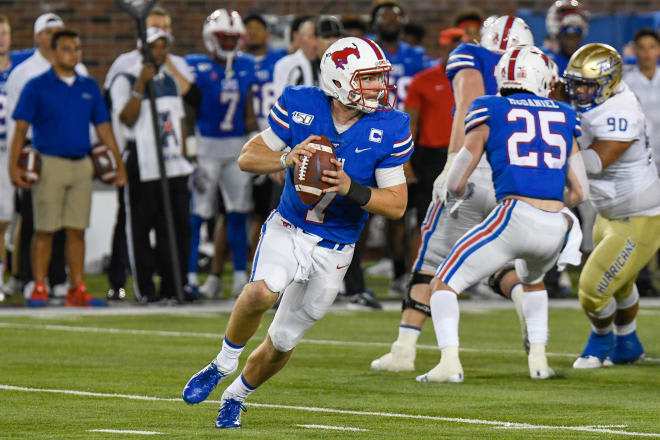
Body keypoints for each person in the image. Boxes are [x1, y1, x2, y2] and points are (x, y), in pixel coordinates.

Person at [181, 36, 412, 429]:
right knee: (260, 292)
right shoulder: (302, 104)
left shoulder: (389, 126)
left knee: (283, 341)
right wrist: (287, 158)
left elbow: (396, 204)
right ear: (339, 81)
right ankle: (222, 362)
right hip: (290, 226)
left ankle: (236, 396)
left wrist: (349, 189)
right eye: (369, 79)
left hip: (337, 246)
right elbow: (247, 157)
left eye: (379, 78)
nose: (379, 87)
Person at [371, 16, 537, 373]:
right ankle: (522, 295)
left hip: (475, 167)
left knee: (430, 263)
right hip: (518, 177)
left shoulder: (472, 56)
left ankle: (404, 349)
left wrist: (451, 165)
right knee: (491, 256)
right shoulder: (538, 66)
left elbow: (468, 107)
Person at [418, 45, 587, 383]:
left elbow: (456, 180)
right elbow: (580, 191)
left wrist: (461, 193)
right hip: (556, 225)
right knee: (533, 281)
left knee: (443, 283)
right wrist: (549, 202)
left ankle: (449, 364)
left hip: (513, 215)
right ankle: (539, 363)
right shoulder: (565, 114)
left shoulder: (489, 107)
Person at [9, 29, 126, 307]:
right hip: (49, 163)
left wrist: (118, 163)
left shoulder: (89, 87)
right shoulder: (37, 86)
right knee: (45, 229)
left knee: (77, 230)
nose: (74, 53)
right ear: (52, 52)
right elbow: (21, 128)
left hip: (81, 164)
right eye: (67, 48)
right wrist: (13, 167)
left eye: (77, 48)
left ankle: (77, 287)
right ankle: (39, 285)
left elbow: (104, 128)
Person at [564, 44, 660, 368]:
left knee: (592, 289)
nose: (578, 92)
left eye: (586, 85)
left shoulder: (619, 110)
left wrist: (554, 141)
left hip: (636, 214)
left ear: (608, 81)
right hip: (609, 211)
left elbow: (594, 163)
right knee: (622, 284)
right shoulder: (602, 97)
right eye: (574, 84)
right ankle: (628, 342)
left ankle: (601, 340)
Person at [104, 5, 194, 301]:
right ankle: (145, 289)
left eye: (163, 46)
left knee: (176, 228)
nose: (159, 52)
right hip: (142, 161)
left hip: (172, 163)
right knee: (140, 229)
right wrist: (140, 84)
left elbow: (179, 119)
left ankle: (174, 285)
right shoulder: (125, 77)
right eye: (154, 46)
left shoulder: (169, 77)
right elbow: (126, 118)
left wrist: (185, 155)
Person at [6, 13, 88, 302]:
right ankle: (27, 278)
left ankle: (59, 279)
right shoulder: (26, 73)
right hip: (36, 151)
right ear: (40, 37)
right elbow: (16, 120)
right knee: (34, 221)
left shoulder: (82, 74)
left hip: (74, 151)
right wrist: (16, 159)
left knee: (69, 225)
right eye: (49, 30)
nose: (55, 34)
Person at [187, 9, 258, 299]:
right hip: (205, 147)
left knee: (239, 212)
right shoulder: (195, 66)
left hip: (236, 147)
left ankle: (240, 277)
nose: (228, 44)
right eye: (223, 38)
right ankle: (189, 275)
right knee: (198, 214)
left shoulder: (246, 66)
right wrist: (188, 142)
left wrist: (255, 141)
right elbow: (188, 108)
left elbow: (249, 109)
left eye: (233, 39)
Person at [370, 0, 426, 297]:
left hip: (408, 136)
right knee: (371, 207)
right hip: (374, 134)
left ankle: (402, 271)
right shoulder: (368, 51)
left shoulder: (416, 56)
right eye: (384, 17)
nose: (390, 21)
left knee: (406, 210)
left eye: (395, 17)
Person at [623, 29, 660, 298]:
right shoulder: (625, 81)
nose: (647, 53)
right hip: (640, 163)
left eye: (652, 47)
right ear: (634, 51)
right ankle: (643, 278)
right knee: (642, 223)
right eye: (642, 48)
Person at [0, 14, 32, 294]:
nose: (1, 39)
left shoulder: (23, 66)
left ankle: (19, 275)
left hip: (16, 150)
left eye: (4, 33)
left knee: (19, 217)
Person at [543, 0, 589, 76]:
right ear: (557, 36)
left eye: (575, 37)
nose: (572, 43)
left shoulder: (587, 61)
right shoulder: (543, 58)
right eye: (567, 37)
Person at [272, 16, 316, 95]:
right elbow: (281, 100)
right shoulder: (285, 64)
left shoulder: (324, 63)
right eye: (312, 36)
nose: (316, 40)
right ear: (299, 37)